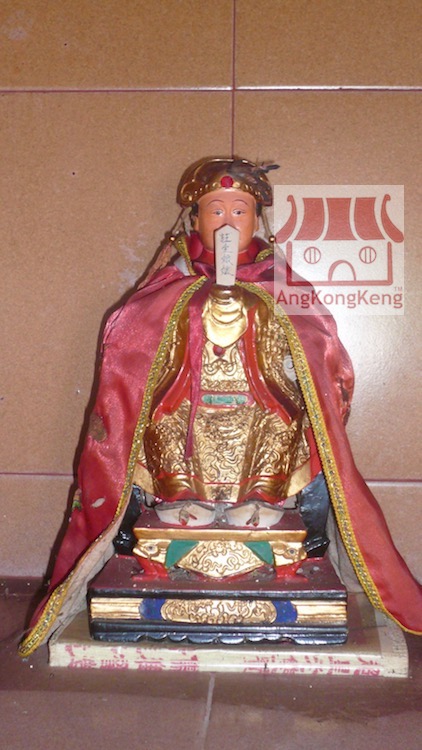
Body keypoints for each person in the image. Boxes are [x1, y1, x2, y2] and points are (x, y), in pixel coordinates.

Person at [19, 158, 422, 657]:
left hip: (259, 401)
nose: (227, 221)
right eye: (216, 210)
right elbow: (130, 345)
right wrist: (190, 313)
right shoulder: (169, 282)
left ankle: (264, 497)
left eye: (239, 210)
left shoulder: (282, 283)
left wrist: (274, 336)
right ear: (194, 220)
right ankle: (179, 498)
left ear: (258, 220)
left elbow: (322, 349)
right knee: (162, 423)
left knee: (283, 424)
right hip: (186, 404)